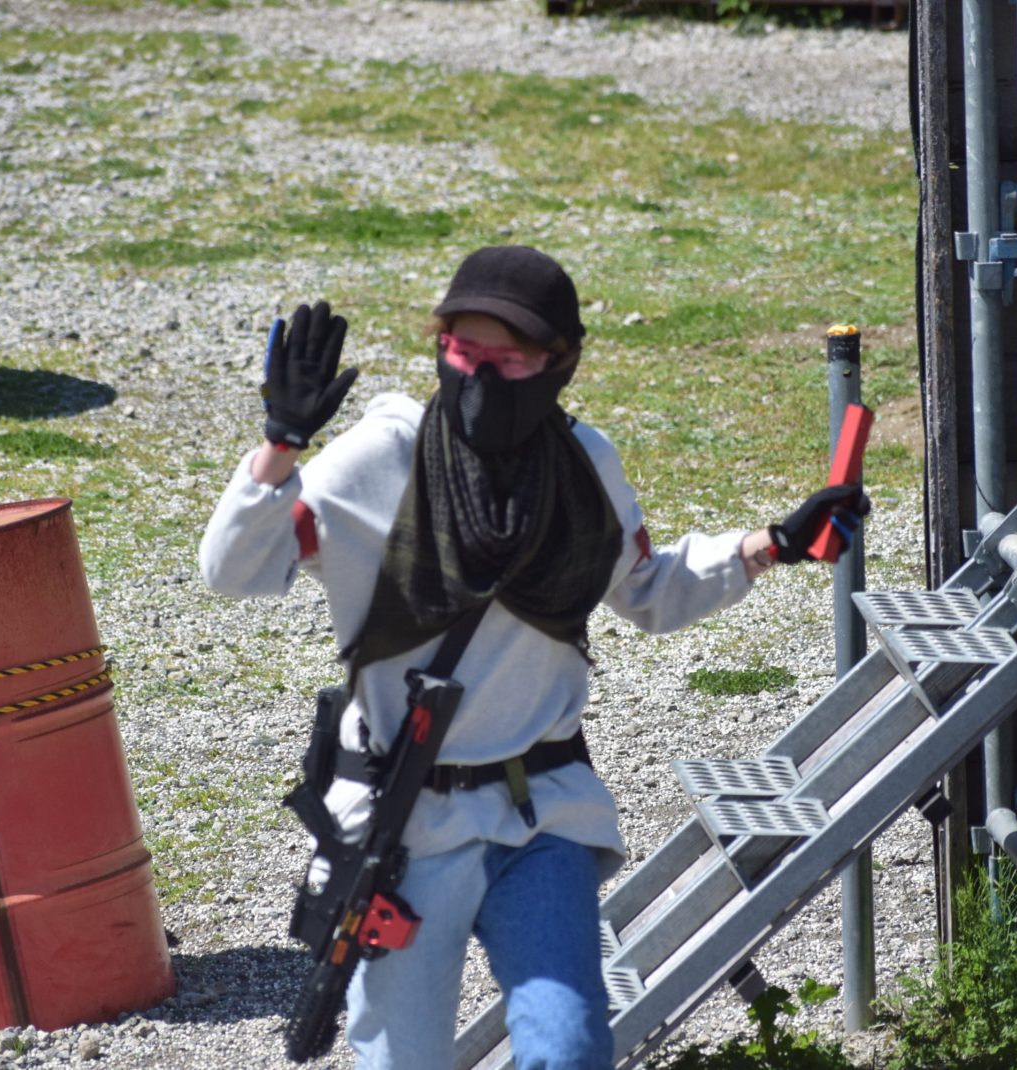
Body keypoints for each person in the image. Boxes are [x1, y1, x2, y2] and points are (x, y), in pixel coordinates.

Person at [199, 245, 867, 1070]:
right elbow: (232, 571)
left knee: (571, 1048)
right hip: (404, 832)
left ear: (558, 363)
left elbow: (649, 590)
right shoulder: (383, 457)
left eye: (508, 359)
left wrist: (769, 545)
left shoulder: (584, 466)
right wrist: (280, 445)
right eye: (461, 352)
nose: (480, 377)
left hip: (541, 815)